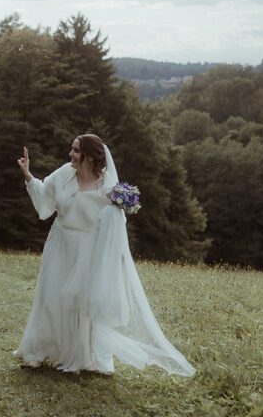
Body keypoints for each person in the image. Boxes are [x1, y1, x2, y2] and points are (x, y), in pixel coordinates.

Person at [14, 134, 195, 376]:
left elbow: (115, 226)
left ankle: (84, 355)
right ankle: (37, 352)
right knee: (50, 297)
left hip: (88, 250)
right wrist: (27, 175)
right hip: (60, 243)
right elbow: (45, 196)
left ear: (90, 157)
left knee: (82, 305)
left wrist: (118, 212)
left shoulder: (108, 189)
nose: (70, 155)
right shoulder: (63, 173)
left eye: (76, 151)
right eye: (72, 149)